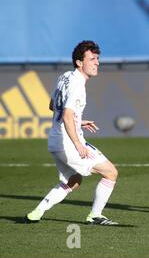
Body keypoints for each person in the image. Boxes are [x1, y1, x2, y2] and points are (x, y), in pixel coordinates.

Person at [24, 40, 119, 225]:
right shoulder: (77, 84)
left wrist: (78, 121)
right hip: (68, 143)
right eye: (92, 59)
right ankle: (95, 215)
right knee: (111, 172)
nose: (97, 63)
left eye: (97, 58)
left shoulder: (64, 77)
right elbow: (67, 114)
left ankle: (36, 213)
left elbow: (53, 106)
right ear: (79, 62)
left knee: (74, 181)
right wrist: (78, 144)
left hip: (55, 141)